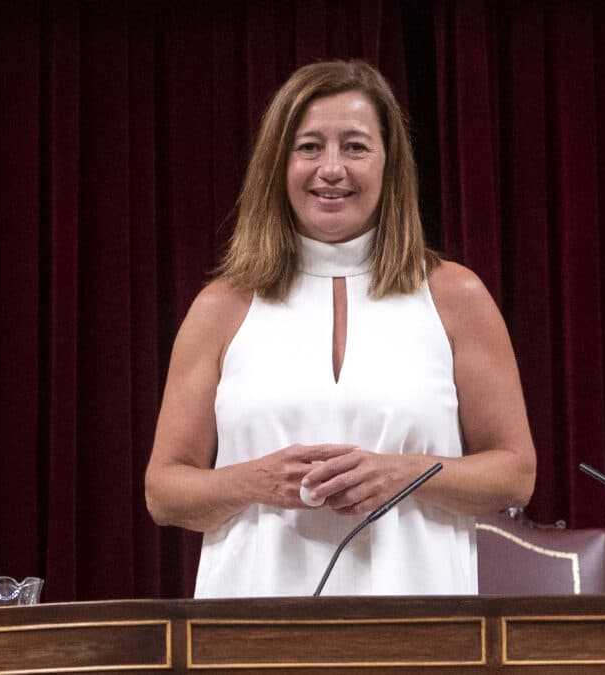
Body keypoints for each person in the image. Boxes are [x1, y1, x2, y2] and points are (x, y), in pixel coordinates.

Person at [144, 59, 536, 597]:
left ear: (388, 163)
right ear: (278, 165)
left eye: (355, 146)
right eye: (309, 147)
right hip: (251, 635)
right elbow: (164, 491)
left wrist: (403, 474)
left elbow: (515, 473)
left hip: (420, 630)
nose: (332, 168)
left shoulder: (456, 296)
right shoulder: (221, 305)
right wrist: (251, 482)